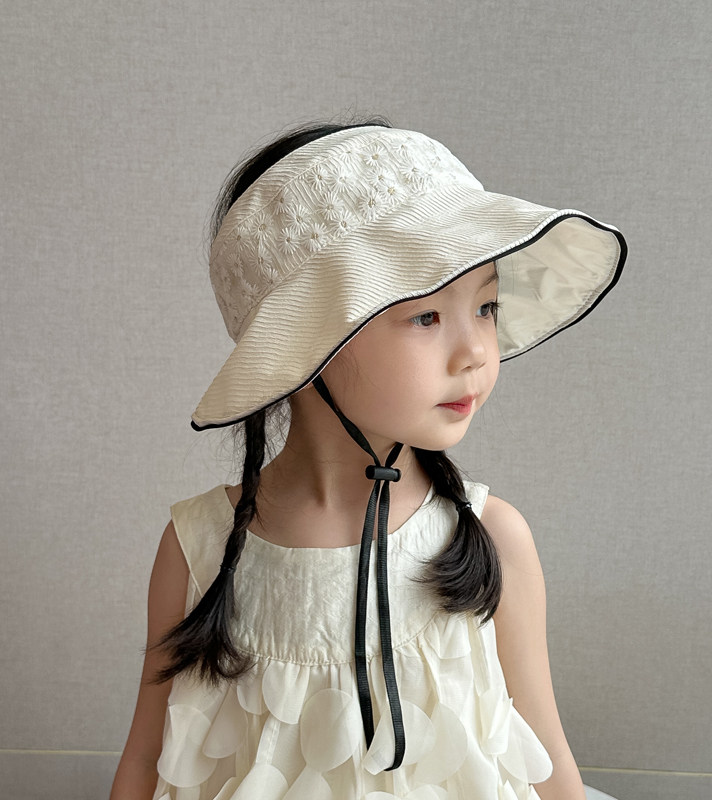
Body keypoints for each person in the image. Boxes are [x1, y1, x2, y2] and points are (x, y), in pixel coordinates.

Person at [110, 118, 627, 800]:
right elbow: (146, 760)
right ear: (308, 341)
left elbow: (548, 760)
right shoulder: (200, 549)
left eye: (487, 307)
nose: (476, 351)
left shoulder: (492, 537)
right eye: (427, 316)